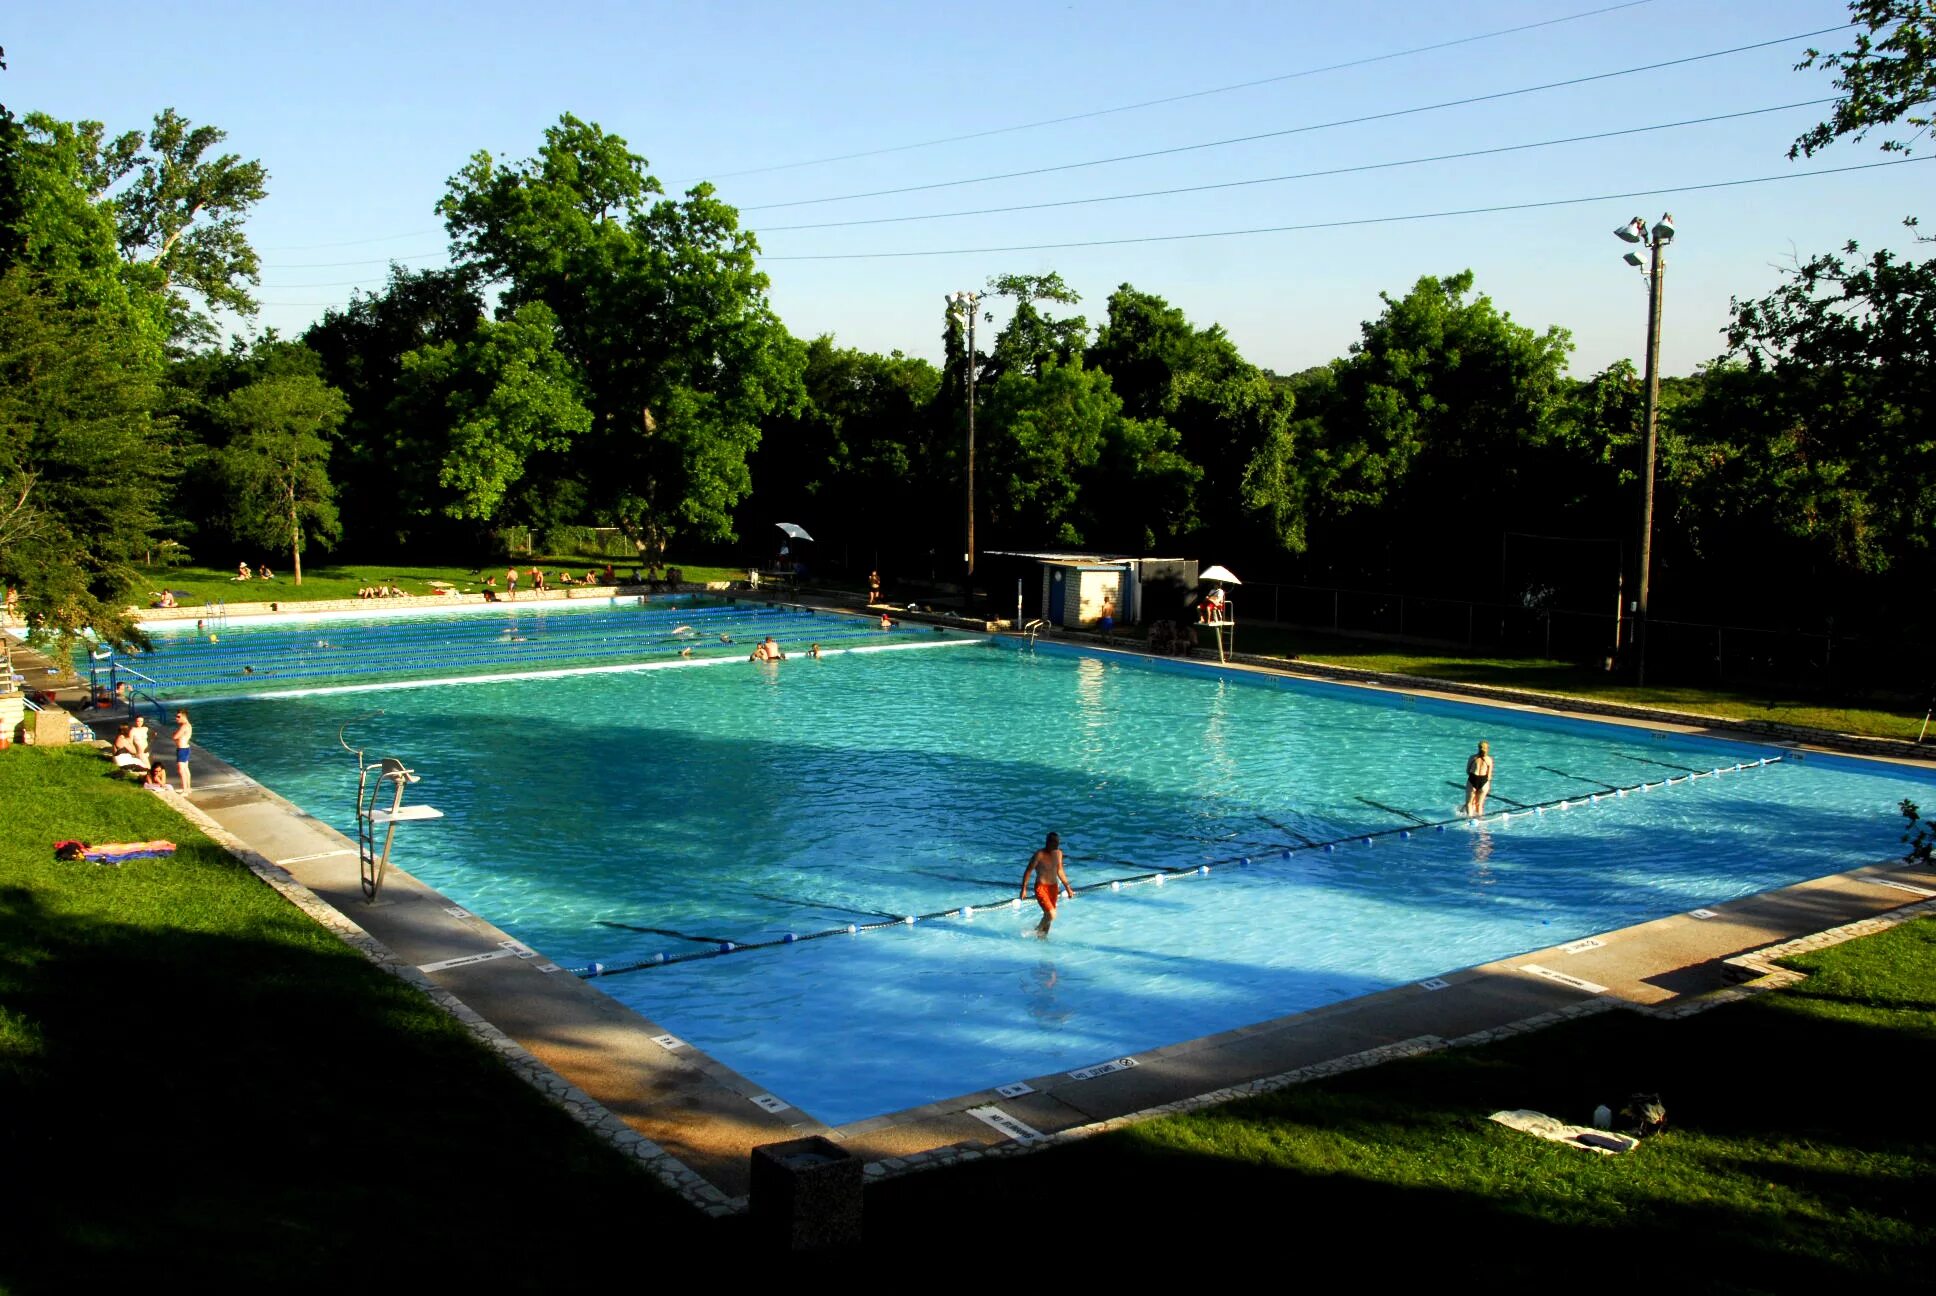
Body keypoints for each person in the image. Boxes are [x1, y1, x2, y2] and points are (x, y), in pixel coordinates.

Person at [1019, 832, 1072, 938]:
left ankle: (1042, 939)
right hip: (1041, 887)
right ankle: (1037, 930)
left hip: (1053, 888)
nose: (1057, 845)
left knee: (1048, 916)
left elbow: (1060, 871)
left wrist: (1068, 888)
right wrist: (1024, 889)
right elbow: (1028, 871)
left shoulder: (1058, 854)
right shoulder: (1039, 855)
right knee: (1052, 914)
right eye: (1055, 842)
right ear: (1048, 842)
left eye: (1058, 842)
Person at [1462, 740, 1494, 817]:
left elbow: (1467, 771)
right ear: (1487, 749)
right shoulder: (1489, 760)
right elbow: (1489, 776)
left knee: (1469, 803)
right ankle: (1479, 822)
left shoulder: (1472, 758)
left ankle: (1469, 819)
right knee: (1479, 805)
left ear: (1478, 748)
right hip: (1484, 782)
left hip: (1473, 779)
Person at [172, 710, 194, 794]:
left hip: (182, 750)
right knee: (185, 769)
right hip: (185, 748)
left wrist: (174, 734)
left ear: (184, 717)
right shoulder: (187, 725)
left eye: (178, 717)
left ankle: (185, 790)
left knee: (181, 770)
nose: (176, 718)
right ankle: (188, 788)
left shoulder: (184, 726)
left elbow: (175, 736)